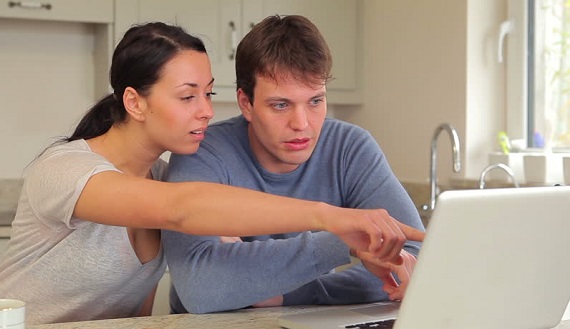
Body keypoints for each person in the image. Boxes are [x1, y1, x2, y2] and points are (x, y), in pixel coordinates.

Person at [0, 22, 423, 325]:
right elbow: (184, 212)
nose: (207, 112)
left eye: (207, 94)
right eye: (188, 97)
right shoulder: (65, 170)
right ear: (135, 102)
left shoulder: (165, 175)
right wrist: (334, 222)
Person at [163, 14, 426, 314]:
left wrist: (297, 293)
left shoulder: (350, 148)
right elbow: (200, 290)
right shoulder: (203, 151)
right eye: (281, 105)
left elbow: (415, 262)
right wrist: (345, 239)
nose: (302, 124)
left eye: (315, 101)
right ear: (246, 103)